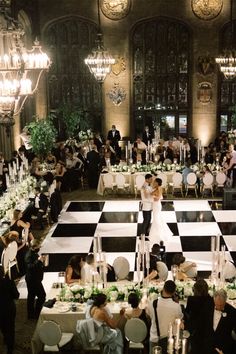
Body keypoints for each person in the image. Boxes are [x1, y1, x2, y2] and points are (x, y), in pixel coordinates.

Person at [147, 280, 183, 354]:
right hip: (169, 341)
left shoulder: (153, 303)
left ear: (163, 289)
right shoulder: (176, 306)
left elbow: (150, 316)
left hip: (155, 339)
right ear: (174, 292)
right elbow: (179, 319)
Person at [184, 279, 214, 354]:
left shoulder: (191, 299)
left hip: (194, 328)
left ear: (195, 290)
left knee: (195, 347)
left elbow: (187, 312)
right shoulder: (210, 300)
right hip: (206, 327)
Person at [203, 289, 236, 354]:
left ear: (225, 301)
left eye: (221, 305)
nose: (219, 307)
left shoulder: (232, 312)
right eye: (217, 304)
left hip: (223, 348)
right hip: (207, 346)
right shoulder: (207, 307)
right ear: (214, 300)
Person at [24, 239, 46, 319]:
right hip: (33, 280)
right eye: (39, 246)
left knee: (31, 296)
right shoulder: (29, 255)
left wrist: (40, 262)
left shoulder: (34, 253)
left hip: (35, 279)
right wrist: (38, 261)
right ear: (34, 247)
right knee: (42, 295)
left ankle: (31, 315)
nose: (39, 248)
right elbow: (30, 267)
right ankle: (36, 313)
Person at [0, 265, 19, 354]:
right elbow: (16, 295)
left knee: (3, 327)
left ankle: (5, 339)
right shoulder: (8, 281)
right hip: (8, 308)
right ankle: (10, 348)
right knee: (10, 328)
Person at [148, 178, 173, 246]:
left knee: (156, 219)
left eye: (155, 182)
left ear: (157, 183)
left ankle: (159, 235)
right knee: (158, 218)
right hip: (156, 205)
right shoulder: (157, 188)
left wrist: (152, 196)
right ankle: (159, 233)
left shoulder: (158, 188)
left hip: (156, 205)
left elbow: (157, 198)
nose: (154, 183)